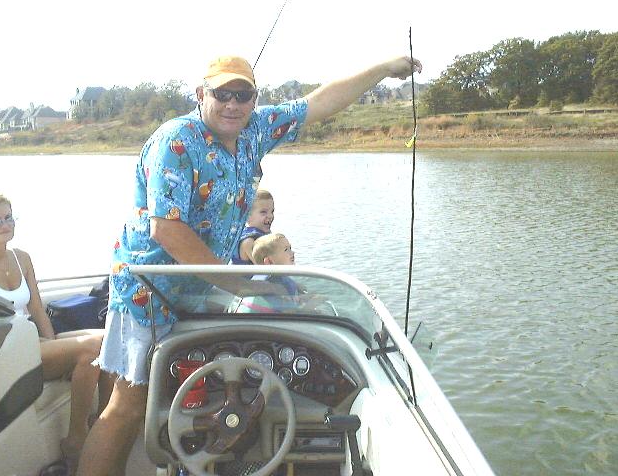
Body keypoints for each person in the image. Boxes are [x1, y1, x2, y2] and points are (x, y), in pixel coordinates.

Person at [78, 53, 421, 476]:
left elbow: (319, 102)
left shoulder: (255, 129)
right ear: (201, 94)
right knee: (127, 406)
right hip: (148, 293)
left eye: (243, 95)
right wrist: (237, 285)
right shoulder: (176, 140)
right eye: (222, 94)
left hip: (198, 293)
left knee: (197, 395)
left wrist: (383, 68)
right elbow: (166, 229)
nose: (232, 104)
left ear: (253, 100)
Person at [0, 194, 112, 474]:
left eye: (8, 217)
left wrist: (53, 344)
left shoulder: (22, 258)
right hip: (7, 351)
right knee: (92, 348)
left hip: (32, 341)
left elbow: (37, 309)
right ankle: (76, 440)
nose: (5, 225)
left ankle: (102, 426)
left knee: (110, 341)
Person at [231, 188, 275, 265]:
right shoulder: (249, 242)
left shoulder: (264, 235)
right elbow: (265, 267)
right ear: (247, 216)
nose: (270, 216)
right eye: (263, 212)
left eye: (272, 211)